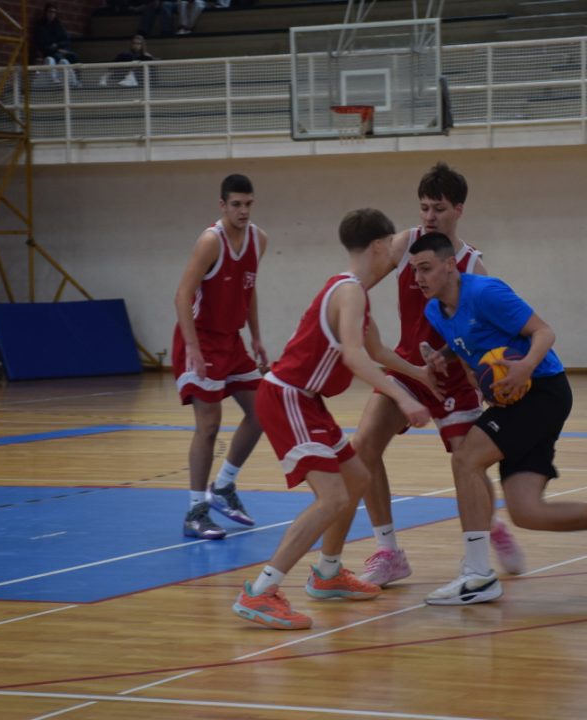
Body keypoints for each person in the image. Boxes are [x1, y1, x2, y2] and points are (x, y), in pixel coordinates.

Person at [409, 231, 587, 605]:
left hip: (542, 390)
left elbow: (544, 332)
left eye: (426, 268)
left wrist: (524, 367)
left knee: (466, 459)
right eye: (415, 270)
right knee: (528, 512)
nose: (419, 278)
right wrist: (444, 357)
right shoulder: (435, 310)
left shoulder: (486, 292)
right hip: (514, 400)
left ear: (450, 265)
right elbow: (469, 340)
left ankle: (478, 574)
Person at [232, 209, 433, 630]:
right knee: (333, 498)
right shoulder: (350, 292)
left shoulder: (352, 290)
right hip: (288, 397)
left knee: (356, 477)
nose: (394, 252)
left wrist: (420, 375)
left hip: (307, 400)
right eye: (391, 244)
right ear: (378, 245)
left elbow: (377, 351)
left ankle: (327, 573)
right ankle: (261, 591)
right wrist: (404, 398)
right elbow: (355, 358)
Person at [351, 162, 525, 588]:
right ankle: (389, 552)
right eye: (425, 207)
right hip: (407, 369)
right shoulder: (404, 244)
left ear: (459, 210)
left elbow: (486, 331)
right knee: (364, 446)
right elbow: (355, 286)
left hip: (454, 379)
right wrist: (358, 324)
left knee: (469, 466)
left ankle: (490, 526)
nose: (430, 216)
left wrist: (474, 367)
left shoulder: (472, 265)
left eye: (439, 208)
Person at [173, 174, 269, 540]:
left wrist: (256, 336)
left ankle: (224, 486)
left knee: (263, 411)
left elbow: (249, 289)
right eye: (236, 205)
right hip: (201, 339)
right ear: (222, 205)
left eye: (248, 204)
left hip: (232, 340)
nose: (243, 211)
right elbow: (182, 295)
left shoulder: (259, 240)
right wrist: (192, 346)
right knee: (209, 424)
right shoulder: (210, 241)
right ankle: (195, 512)